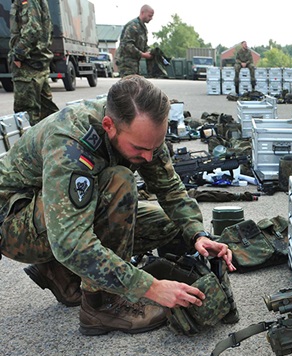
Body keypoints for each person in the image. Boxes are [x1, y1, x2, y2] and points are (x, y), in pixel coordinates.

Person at [0, 75, 236, 336]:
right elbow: (70, 241)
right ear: (108, 125)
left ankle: (59, 271)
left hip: (56, 214)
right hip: (14, 225)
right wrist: (150, 287)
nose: (148, 157)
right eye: (139, 148)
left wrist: (197, 233)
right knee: (119, 183)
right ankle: (101, 304)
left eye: (154, 147)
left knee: (168, 226)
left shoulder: (141, 130)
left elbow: (169, 188)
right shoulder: (71, 141)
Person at [9, 0, 59, 125]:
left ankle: (32, 144)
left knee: (26, 115)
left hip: (28, 64)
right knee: (47, 113)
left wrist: (18, 55)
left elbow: (33, 29)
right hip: (37, 62)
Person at [116, 4, 154, 77]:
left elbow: (144, 45)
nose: (151, 18)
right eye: (150, 16)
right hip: (126, 63)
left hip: (134, 63)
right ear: (143, 13)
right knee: (128, 86)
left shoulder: (142, 28)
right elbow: (127, 45)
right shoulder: (132, 26)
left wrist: (150, 52)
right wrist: (143, 54)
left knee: (134, 85)